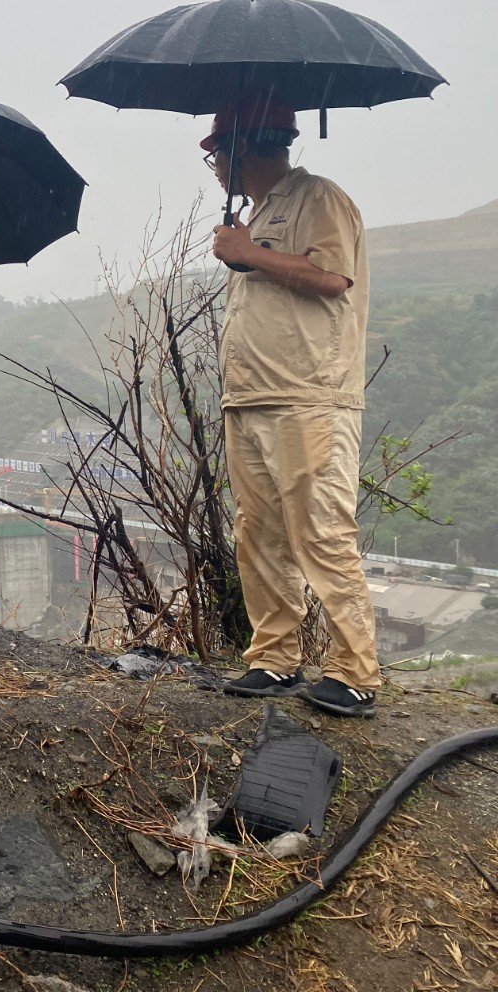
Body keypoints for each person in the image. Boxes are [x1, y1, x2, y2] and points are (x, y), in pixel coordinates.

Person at [207, 90, 380, 718]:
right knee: (259, 533)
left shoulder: (318, 198)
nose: (215, 167)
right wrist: (248, 246)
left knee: (321, 531)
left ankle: (354, 671)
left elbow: (332, 278)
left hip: (308, 396)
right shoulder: (258, 213)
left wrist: (249, 254)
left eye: (217, 153)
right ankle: (274, 658)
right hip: (251, 395)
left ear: (243, 146)